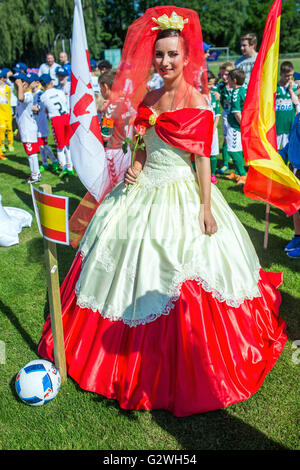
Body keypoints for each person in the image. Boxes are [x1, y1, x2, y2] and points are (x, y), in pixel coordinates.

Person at [38, 6, 286, 417]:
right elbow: (140, 140)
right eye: (160, 55)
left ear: (186, 58)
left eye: (173, 54)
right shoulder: (148, 97)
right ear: (152, 58)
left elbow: (203, 159)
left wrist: (206, 209)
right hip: (140, 190)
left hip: (182, 192)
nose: (166, 62)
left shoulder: (198, 101)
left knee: (180, 267)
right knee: (114, 262)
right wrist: (136, 163)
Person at [39, 74, 74, 177]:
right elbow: (64, 103)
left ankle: (63, 168)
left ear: (42, 84)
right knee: (68, 144)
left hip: (56, 120)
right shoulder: (60, 92)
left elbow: (45, 110)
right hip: (66, 117)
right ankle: (70, 167)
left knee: (60, 146)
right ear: (51, 82)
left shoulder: (43, 96)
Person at [12, 72, 41, 183]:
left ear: (25, 84)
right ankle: (35, 173)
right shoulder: (23, 95)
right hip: (24, 129)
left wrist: (19, 85)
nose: (16, 85)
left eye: (19, 83)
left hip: (29, 129)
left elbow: (20, 98)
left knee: (31, 153)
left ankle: (35, 175)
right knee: (30, 153)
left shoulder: (28, 95)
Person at [279, 112, 300, 259]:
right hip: (294, 168)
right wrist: (282, 153)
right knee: (295, 206)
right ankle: (298, 236)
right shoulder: (298, 116)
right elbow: (293, 140)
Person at [30, 74, 60, 173]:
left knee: (44, 145)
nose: (29, 84)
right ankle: (45, 163)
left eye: (31, 82)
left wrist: (30, 108)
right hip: (35, 123)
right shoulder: (31, 94)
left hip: (41, 123)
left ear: (37, 83)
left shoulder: (40, 94)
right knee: (40, 145)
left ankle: (55, 160)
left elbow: (39, 108)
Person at [225, 68, 247, 185]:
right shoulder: (245, 89)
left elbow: (237, 113)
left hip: (236, 126)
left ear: (233, 80)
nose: (227, 80)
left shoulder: (236, 93)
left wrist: (243, 126)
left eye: (228, 78)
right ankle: (237, 173)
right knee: (238, 149)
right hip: (243, 125)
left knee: (232, 150)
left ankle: (243, 175)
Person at [276, 61, 299, 151]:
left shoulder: (294, 87)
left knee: (288, 149)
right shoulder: (275, 88)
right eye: (287, 76)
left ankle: (287, 165)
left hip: (290, 124)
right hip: (277, 125)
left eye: (291, 75)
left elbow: (297, 103)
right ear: (281, 74)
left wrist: (291, 91)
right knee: (276, 151)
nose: (289, 78)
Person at [215, 62, 234, 175]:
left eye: (226, 74)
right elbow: (210, 85)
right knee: (226, 139)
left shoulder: (239, 85)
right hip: (227, 115)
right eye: (222, 74)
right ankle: (225, 163)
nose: (224, 77)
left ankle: (240, 164)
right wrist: (218, 77)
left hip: (239, 115)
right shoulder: (220, 86)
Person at [207, 71, 221, 184]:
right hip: (200, 130)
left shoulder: (214, 95)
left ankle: (212, 174)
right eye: (209, 84)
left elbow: (217, 114)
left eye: (212, 84)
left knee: (213, 152)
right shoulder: (197, 95)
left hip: (212, 130)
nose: (212, 86)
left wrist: (213, 128)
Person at [0, 69, 14, 154]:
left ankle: (10, 144)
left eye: (2, 78)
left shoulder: (8, 88)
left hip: (8, 112)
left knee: (9, 129)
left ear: (5, 79)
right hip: (1, 113)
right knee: (1, 129)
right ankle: (2, 144)